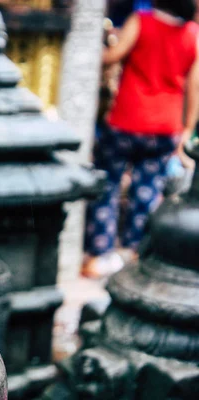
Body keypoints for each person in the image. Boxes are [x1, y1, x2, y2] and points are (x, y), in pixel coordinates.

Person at [82, 0, 199, 279]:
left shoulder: (142, 21)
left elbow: (113, 56)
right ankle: (134, 254)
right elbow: (194, 86)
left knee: (108, 186)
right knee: (147, 191)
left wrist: (94, 51)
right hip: (165, 127)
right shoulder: (193, 34)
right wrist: (187, 129)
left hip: (127, 120)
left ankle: (100, 256)